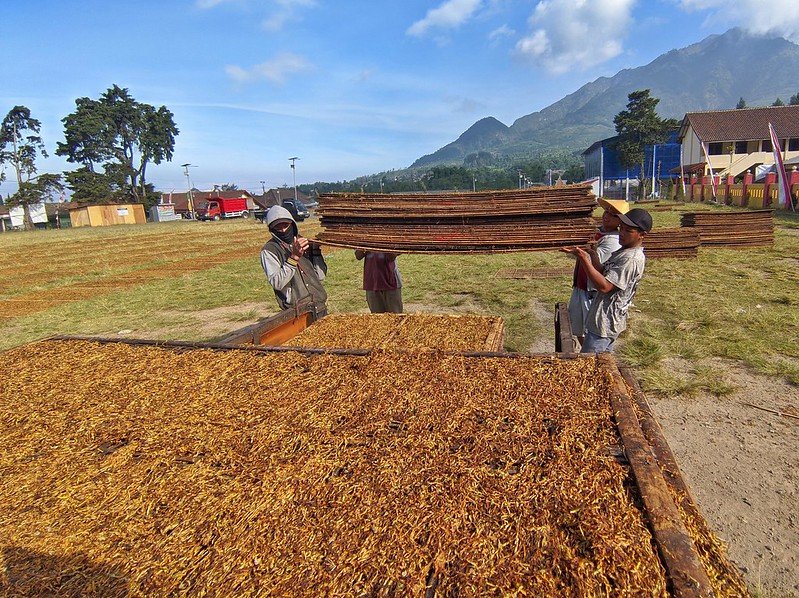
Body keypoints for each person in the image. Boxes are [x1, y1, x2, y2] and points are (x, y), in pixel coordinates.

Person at [560, 207, 652, 353]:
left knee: (591, 366)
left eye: (628, 231)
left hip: (606, 323)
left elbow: (605, 286)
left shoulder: (631, 259)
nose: (621, 233)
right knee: (603, 362)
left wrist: (585, 260)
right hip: (602, 319)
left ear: (642, 235)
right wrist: (593, 256)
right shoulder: (624, 251)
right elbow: (605, 272)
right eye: (621, 228)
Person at [567, 198, 630, 347]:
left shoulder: (613, 241)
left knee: (591, 331)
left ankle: (591, 354)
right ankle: (586, 351)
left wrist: (582, 253)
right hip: (581, 286)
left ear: (621, 222)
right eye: (606, 211)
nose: (606, 216)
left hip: (592, 293)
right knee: (578, 328)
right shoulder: (597, 232)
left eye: (613, 215)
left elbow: (596, 265)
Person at [260, 205, 328, 316]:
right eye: (278, 227)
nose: (283, 230)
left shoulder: (303, 243)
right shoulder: (269, 250)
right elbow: (277, 283)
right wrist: (294, 258)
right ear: (272, 230)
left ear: (292, 225)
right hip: (297, 311)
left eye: (286, 225)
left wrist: (316, 251)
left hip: (319, 304)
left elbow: (320, 276)